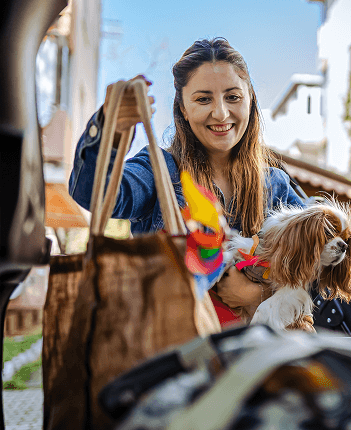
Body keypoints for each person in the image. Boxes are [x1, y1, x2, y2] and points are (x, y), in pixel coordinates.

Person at [69, 37, 305, 315]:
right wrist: (109, 126)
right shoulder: (160, 170)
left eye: (233, 97)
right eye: (203, 99)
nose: (220, 112)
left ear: (250, 100)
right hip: (172, 347)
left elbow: (325, 264)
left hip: (256, 354)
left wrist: (258, 292)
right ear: (182, 107)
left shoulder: (275, 185)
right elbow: (92, 193)